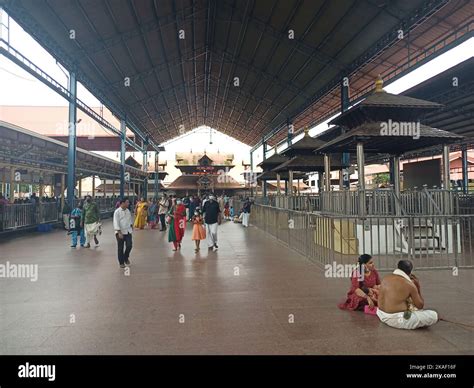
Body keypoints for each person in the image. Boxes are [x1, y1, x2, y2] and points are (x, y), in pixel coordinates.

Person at [376, 260, 438, 329]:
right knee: (433, 315)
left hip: (381, 314)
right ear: (410, 271)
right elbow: (420, 305)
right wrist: (417, 286)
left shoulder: (386, 278)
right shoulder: (409, 285)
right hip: (397, 319)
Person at [113, 197, 133, 269]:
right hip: (120, 232)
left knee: (129, 245)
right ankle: (121, 262)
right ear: (122, 203)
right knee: (120, 247)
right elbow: (116, 222)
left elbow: (130, 220)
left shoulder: (128, 211)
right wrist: (119, 232)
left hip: (128, 231)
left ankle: (126, 257)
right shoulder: (117, 212)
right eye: (127, 202)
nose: (128, 203)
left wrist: (131, 226)